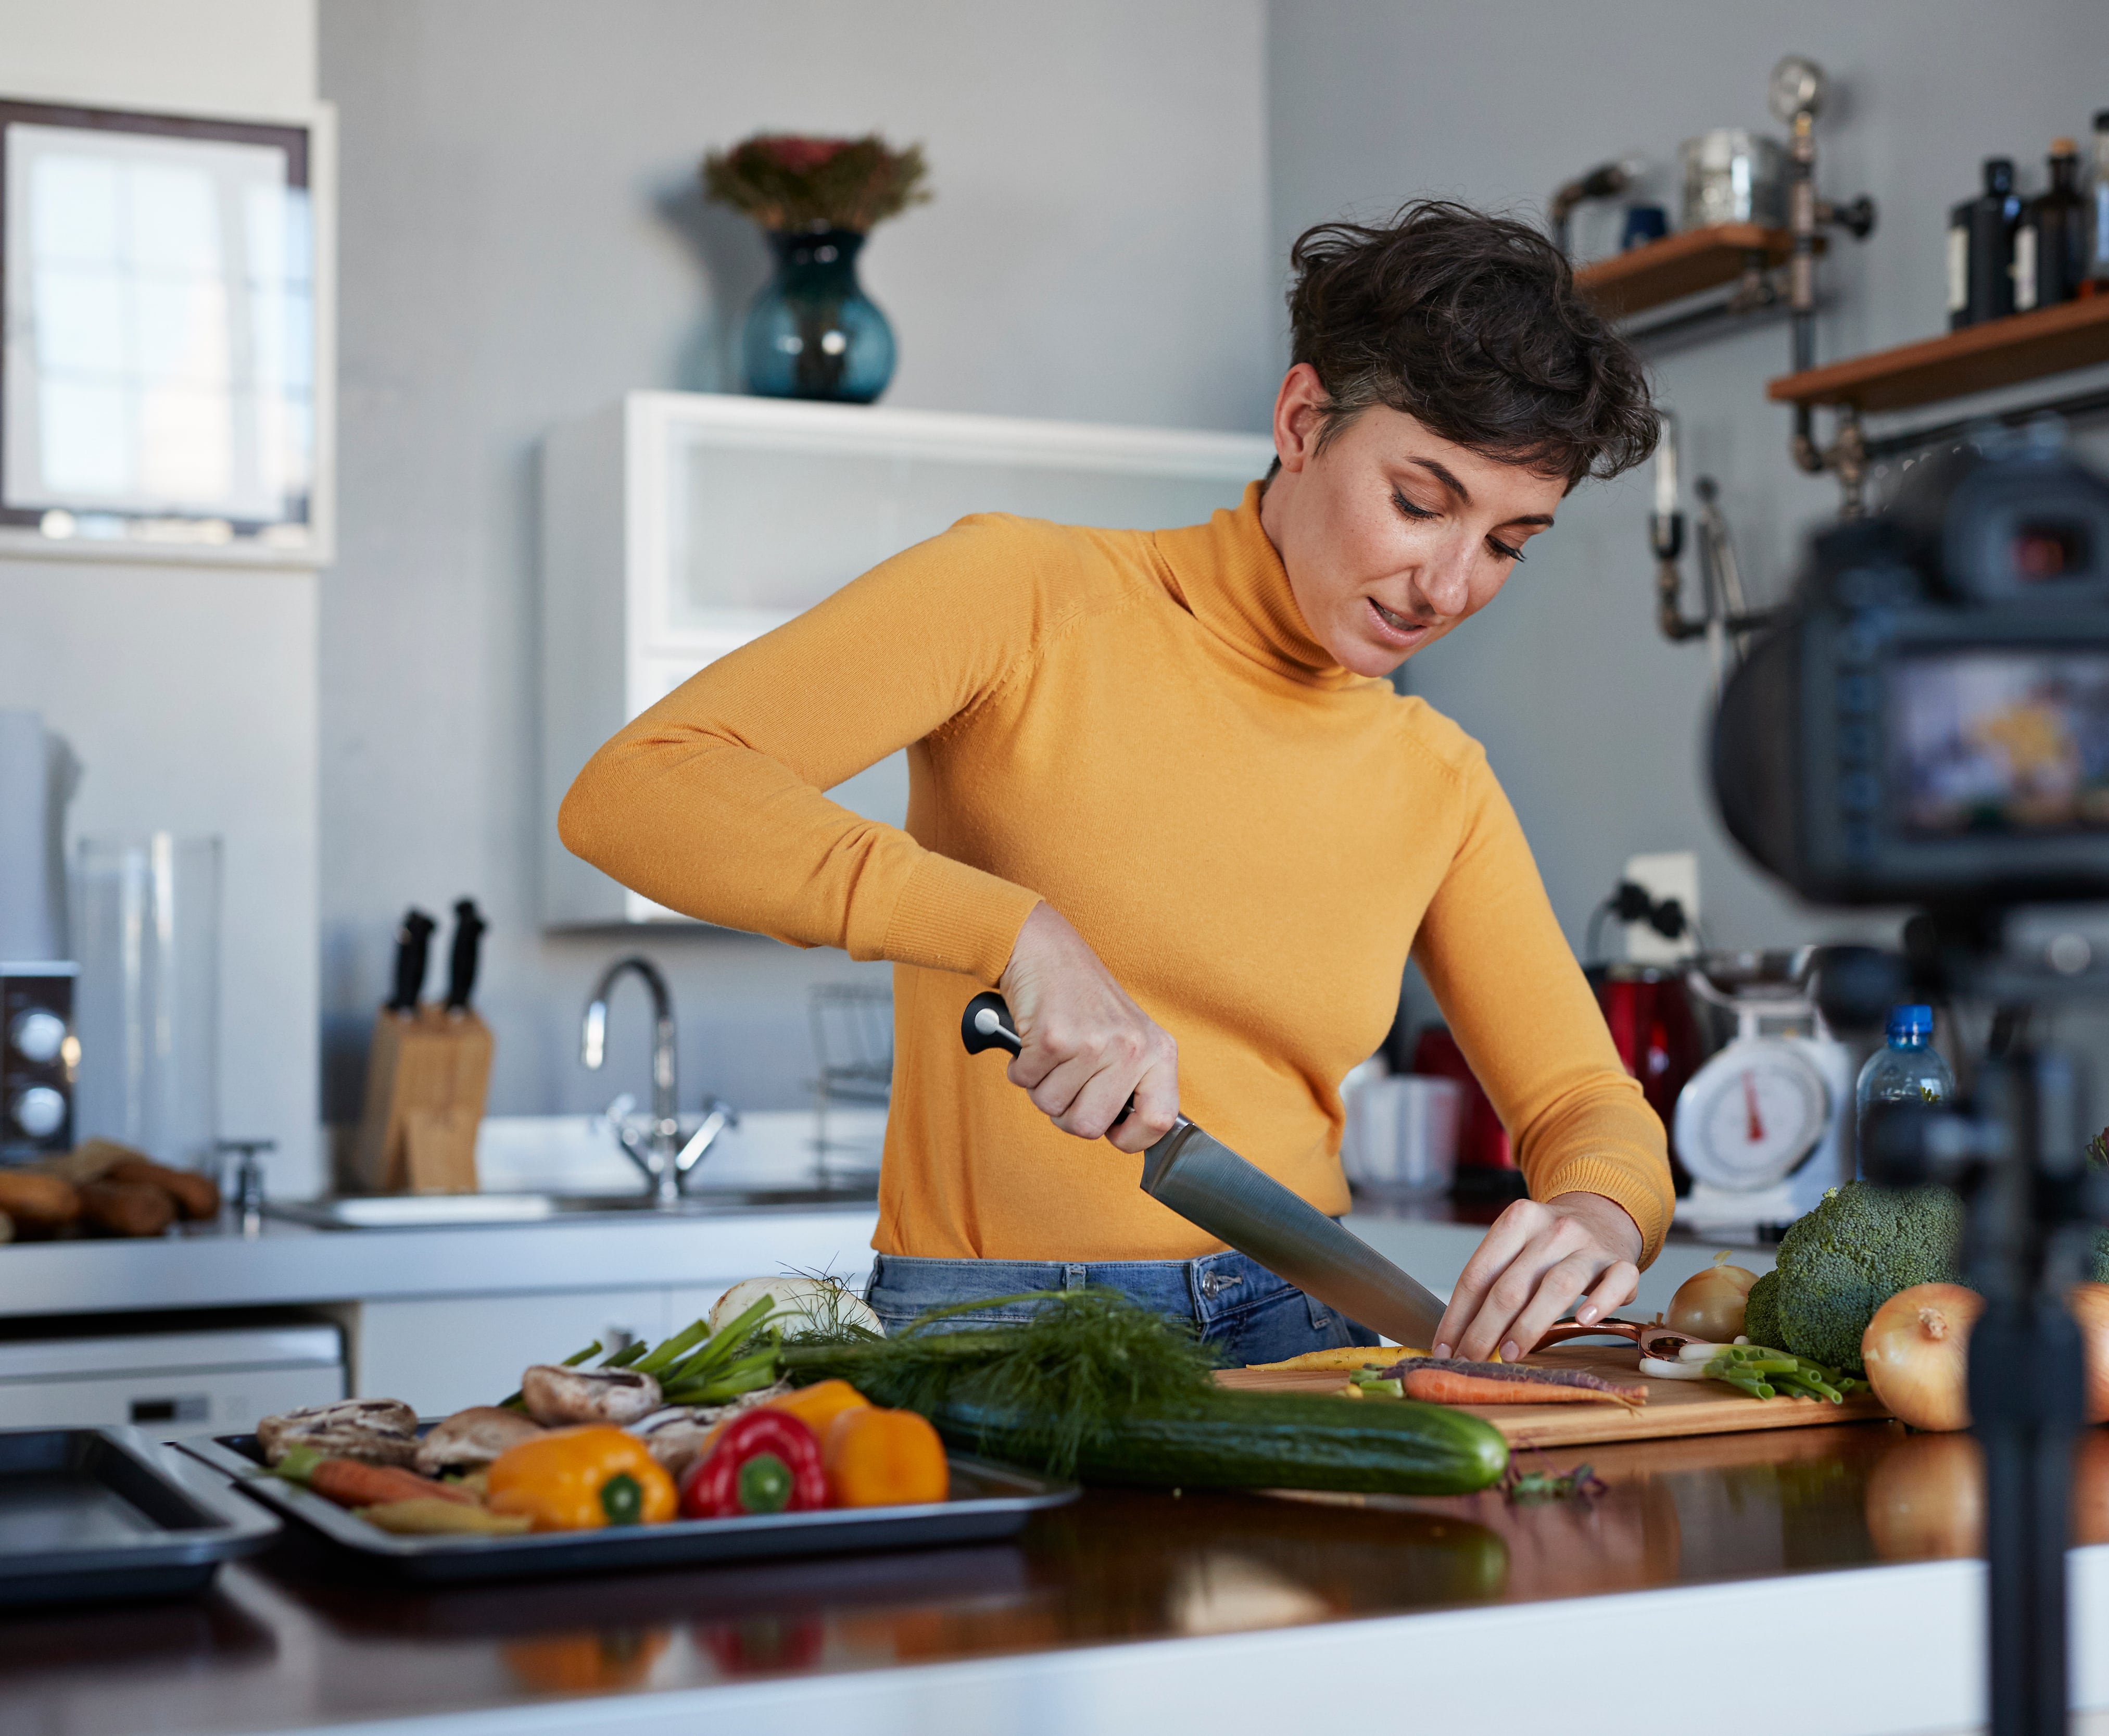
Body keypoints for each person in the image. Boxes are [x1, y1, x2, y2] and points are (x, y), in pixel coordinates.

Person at [560, 200, 1674, 1366]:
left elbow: (1582, 1104)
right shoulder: (1026, 597)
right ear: (1303, 421)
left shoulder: (1437, 779)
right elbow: (640, 788)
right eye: (1420, 501)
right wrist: (1014, 930)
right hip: (990, 1335)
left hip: (1306, 1329)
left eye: (1507, 544)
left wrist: (1598, 1208)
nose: (1447, 585)